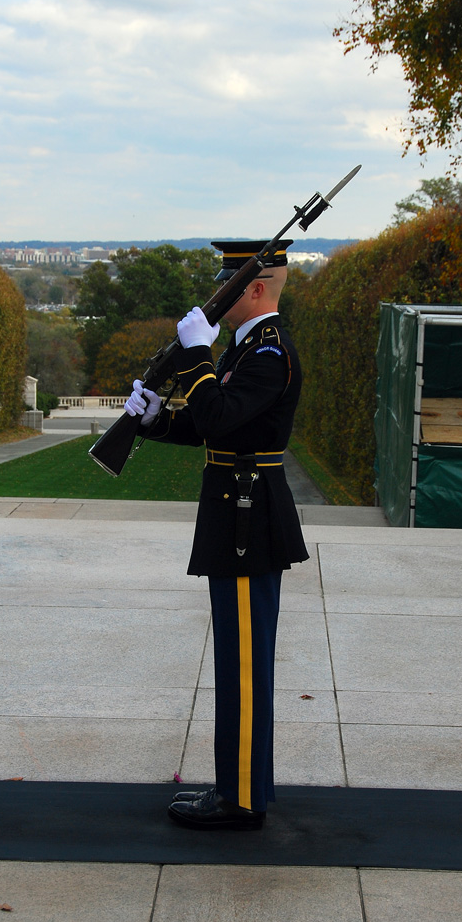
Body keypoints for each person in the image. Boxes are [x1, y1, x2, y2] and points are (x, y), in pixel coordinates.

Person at [123, 240, 308, 830]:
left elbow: (222, 413)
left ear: (255, 289)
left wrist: (197, 356)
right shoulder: (245, 348)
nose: (218, 296)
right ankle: (238, 787)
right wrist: (156, 419)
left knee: (245, 667)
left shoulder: (269, 353)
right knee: (237, 662)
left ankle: (241, 798)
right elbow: (215, 424)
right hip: (236, 516)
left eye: (229, 285)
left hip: (249, 523)